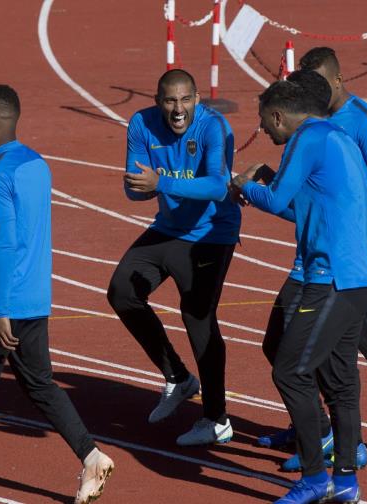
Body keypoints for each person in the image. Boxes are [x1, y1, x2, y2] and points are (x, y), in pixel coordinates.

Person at [0, 84, 113, 504]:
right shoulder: (38, 164)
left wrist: (0, 310)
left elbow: (8, 241)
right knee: (41, 384)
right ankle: (91, 455)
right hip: (36, 298)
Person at [256, 48, 367, 471]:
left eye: (314, 81)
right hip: (314, 250)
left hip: (356, 246)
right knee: (287, 339)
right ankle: (314, 425)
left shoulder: (360, 120)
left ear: (336, 80)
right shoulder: (305, 129)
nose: (307, 90)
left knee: (362, 338)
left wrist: (350, 208)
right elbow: (299, 197)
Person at [231, 78, 367, 504]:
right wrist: (266, 186)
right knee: (340, 381)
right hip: (360, 278)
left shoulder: (306, 138)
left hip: (330, 279)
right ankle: (346, 479)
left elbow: (276, 202)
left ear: (279, 116)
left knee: (290, 369)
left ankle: (316, 477)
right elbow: (300, 207)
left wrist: (243, 185)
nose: (268, 133)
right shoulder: (339, 137)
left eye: (265, 125)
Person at [106, 69, 240, 446]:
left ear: (197, 99)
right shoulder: (140, 124)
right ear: (157, 101)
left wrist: (161, 182)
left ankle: (217, 418)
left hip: (212, 233)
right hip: (167, 227)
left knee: (197, 317)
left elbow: (217, 186)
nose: (178, 109)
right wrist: (142, 186)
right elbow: (134, 190)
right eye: (169, 100)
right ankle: (178, 377)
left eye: (185, 100)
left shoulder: (215, 127)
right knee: (121, 292)